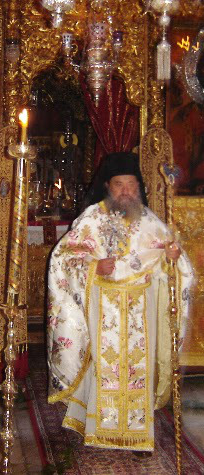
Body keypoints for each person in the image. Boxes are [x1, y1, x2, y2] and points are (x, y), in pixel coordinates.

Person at [47, 151, 194, 453]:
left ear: (139, 187)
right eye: (119, 184)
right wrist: (93, 267)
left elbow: (175, 267)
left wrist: (172, 258)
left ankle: (139, 433)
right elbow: (63, 259)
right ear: (107, 186)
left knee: (139, 370)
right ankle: (97, 428)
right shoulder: (92, 218)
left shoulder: (150, 221)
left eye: (131, 184)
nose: (126, 191)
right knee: (103, 367)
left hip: (142, 311)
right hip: (102, 308)